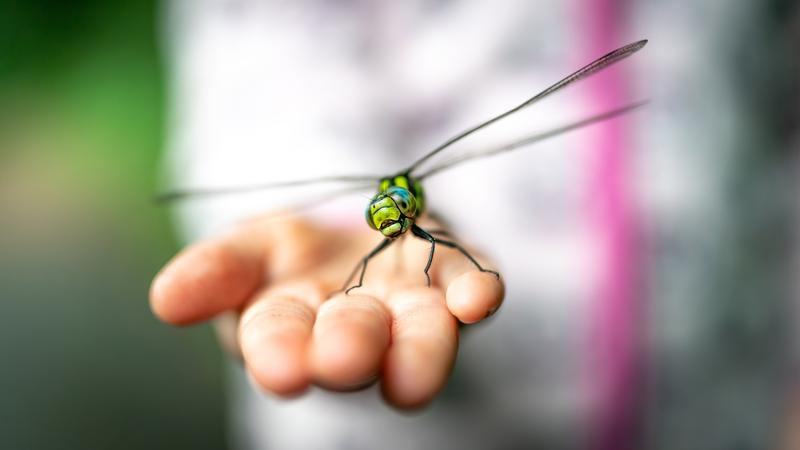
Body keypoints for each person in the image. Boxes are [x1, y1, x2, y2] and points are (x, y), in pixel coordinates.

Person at [151, 1, 642, 448]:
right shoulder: (381, 219)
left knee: (435, 240)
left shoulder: (421, 216)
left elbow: (431, 239)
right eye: (380, 216)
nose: (388, 223)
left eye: (393, 215)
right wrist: (310, 220)